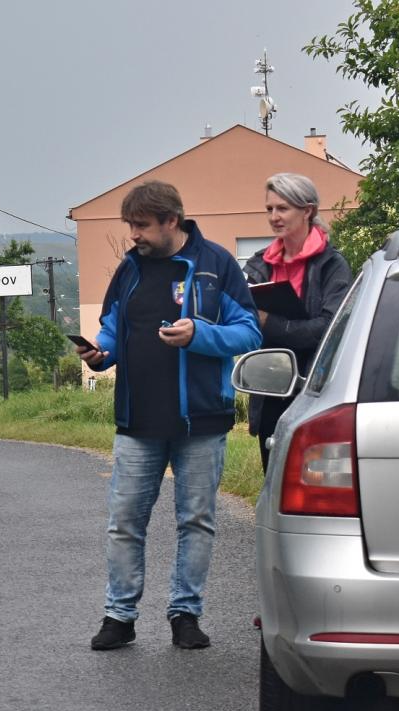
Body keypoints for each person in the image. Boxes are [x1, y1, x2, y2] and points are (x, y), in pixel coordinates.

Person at [76, 181, 261, 651]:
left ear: (171, 221)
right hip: (137, 419)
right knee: (124, 522)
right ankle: (119, 617)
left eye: (141, 225)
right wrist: (102, 353)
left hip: (201, 418)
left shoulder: (217, 265)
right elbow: (113, 327)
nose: (133, 234)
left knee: (195, 521)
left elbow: (248, 333)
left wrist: (199, 334)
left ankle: (185, 615)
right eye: (130, 225)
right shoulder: (130, 268)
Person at [243, 173, 353, 471]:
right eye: (269, 209)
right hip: (270, 388)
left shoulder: (333, 265)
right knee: (273, 481)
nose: (274, 217)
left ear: (308, 210)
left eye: (283, 208)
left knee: (313, 482)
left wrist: (268, 321)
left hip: (316, 389)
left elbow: (329, 330)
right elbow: (244, 324)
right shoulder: (258, 264)